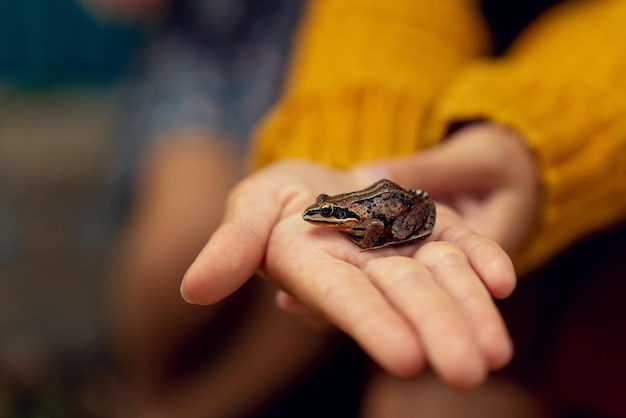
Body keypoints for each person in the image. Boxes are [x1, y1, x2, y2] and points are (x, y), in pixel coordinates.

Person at [182, 0, 626, 416]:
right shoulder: (339, 210)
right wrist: (348, 140)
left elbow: (376, 225)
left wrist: (535, 138)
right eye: (326, 211)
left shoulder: (360, 223)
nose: (323, 218)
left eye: (330, 215)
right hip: (442, 137)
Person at [92, 1, 345, 417]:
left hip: (331, 67)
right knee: (182, 243)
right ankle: (145, 394)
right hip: (208, 55)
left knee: (309, 274)